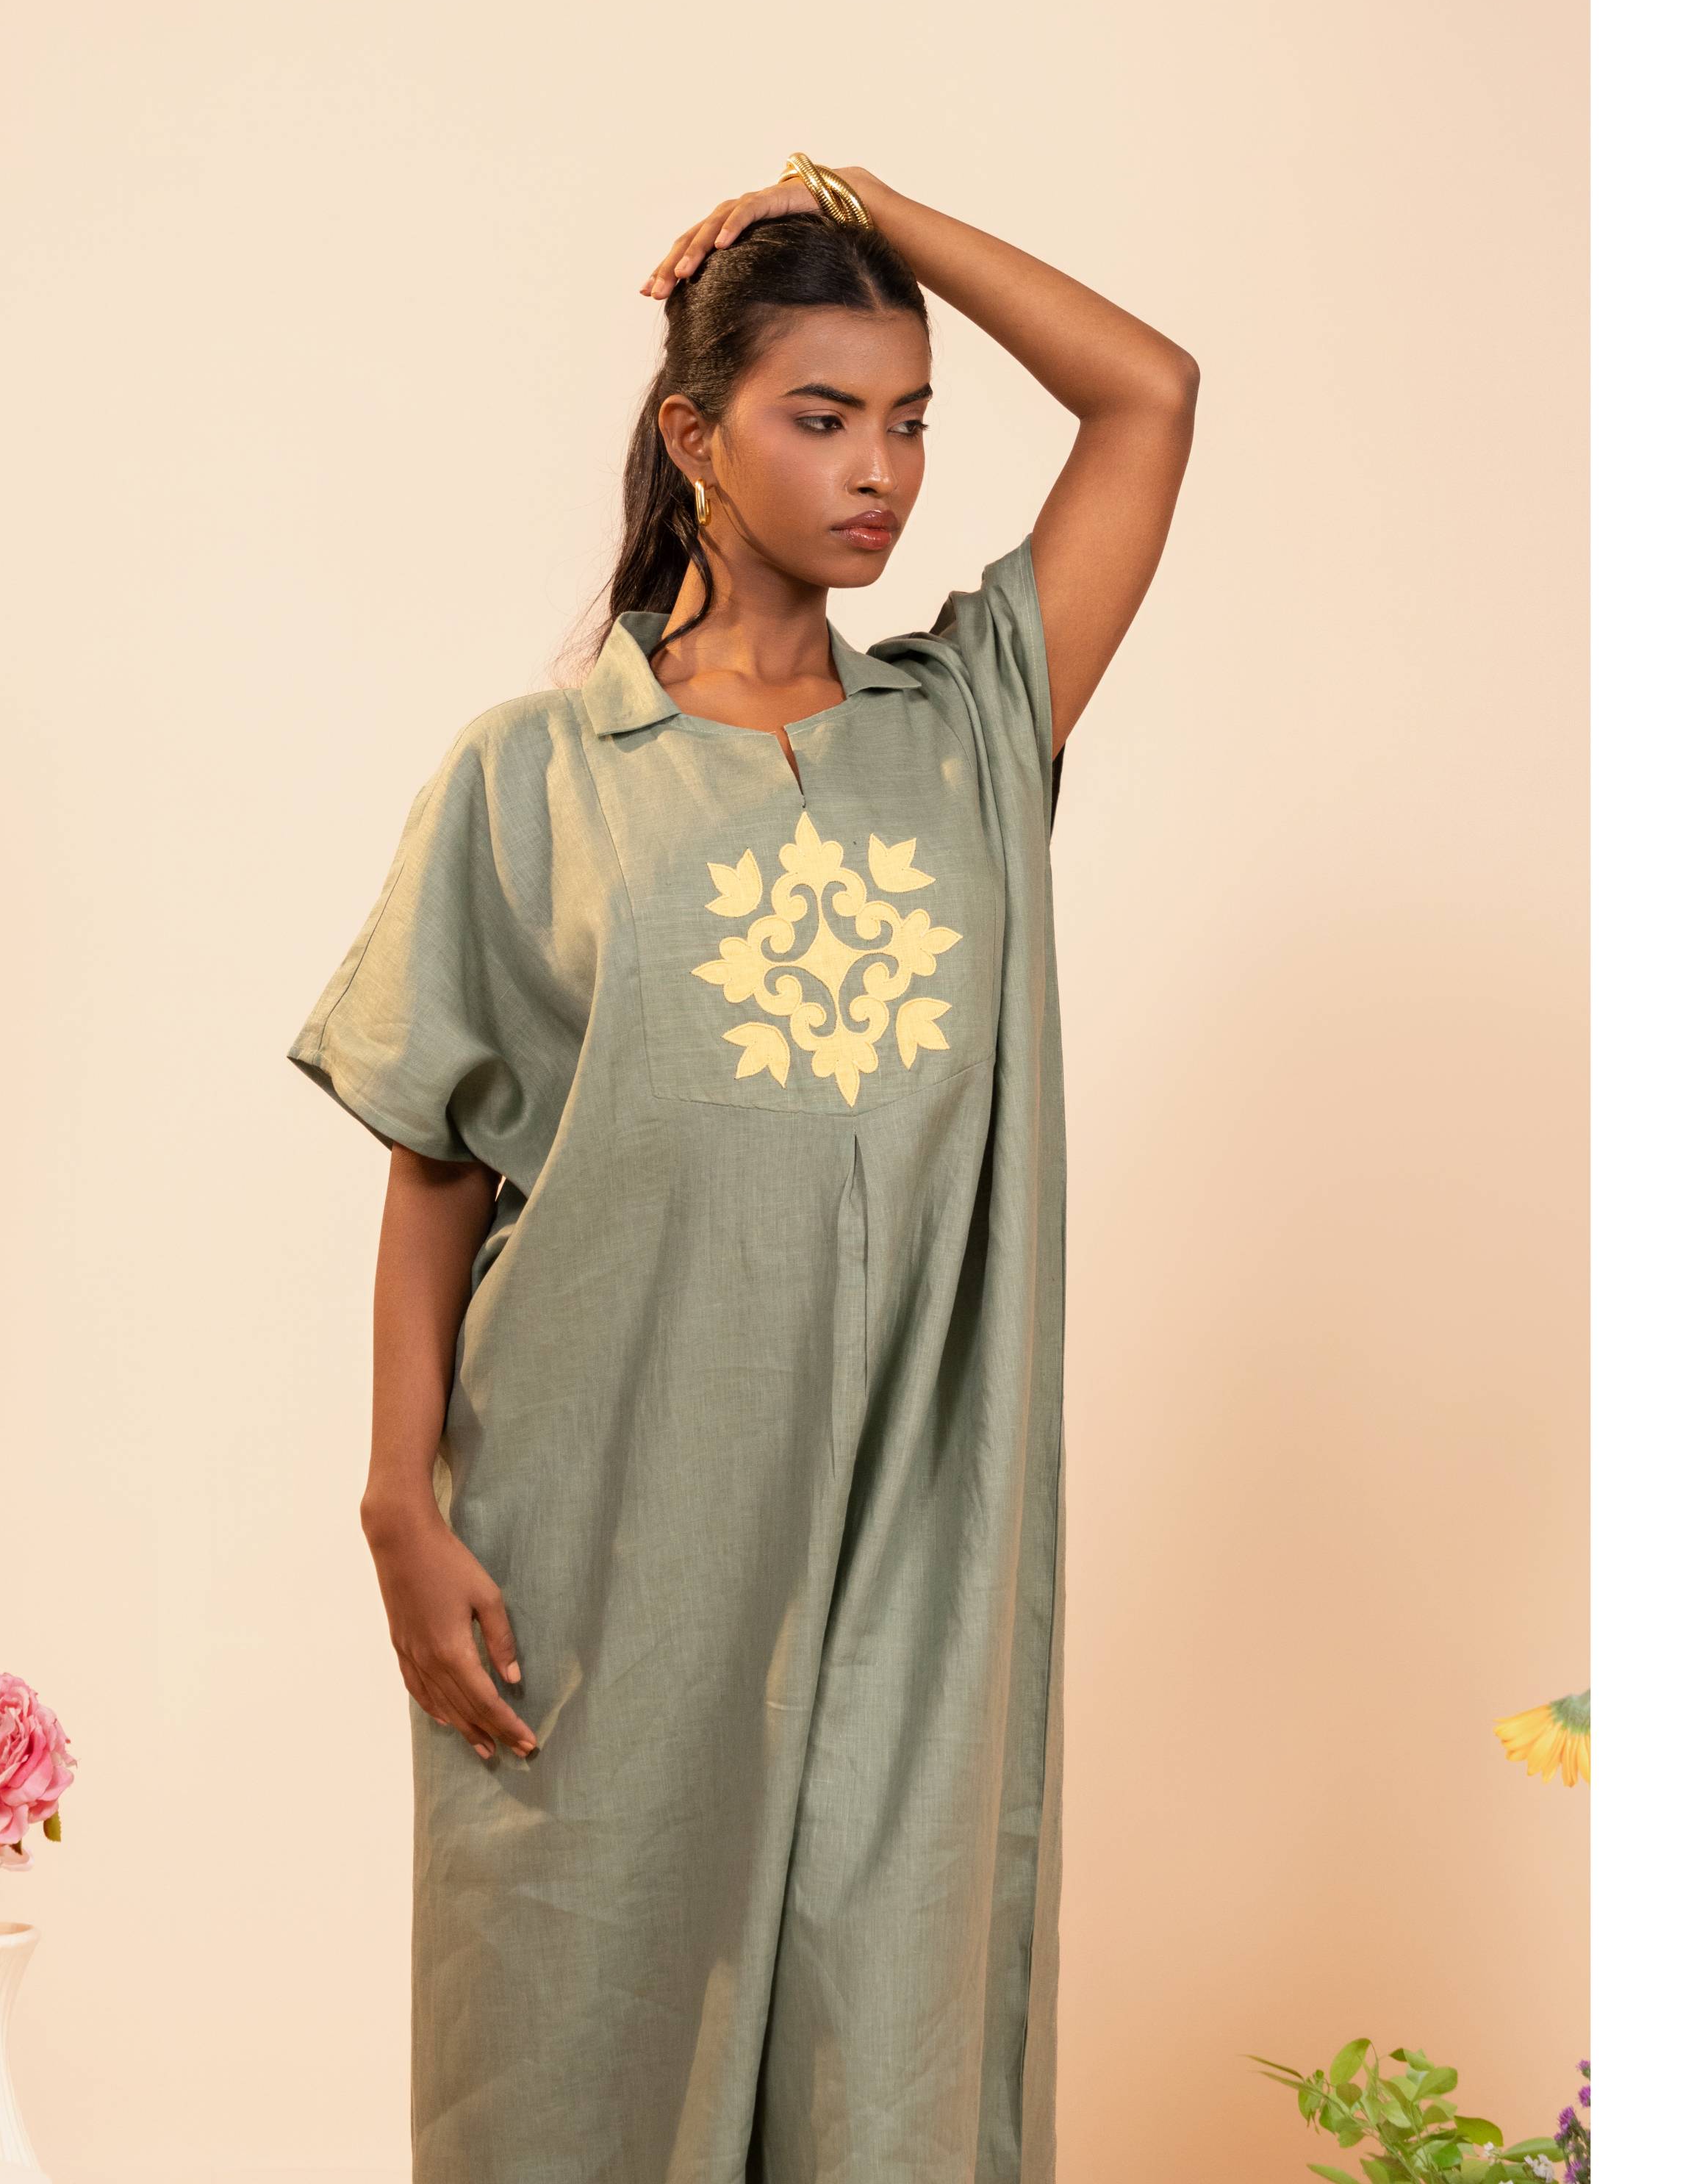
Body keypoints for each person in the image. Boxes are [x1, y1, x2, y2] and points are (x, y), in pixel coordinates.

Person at [287, 156, 1196, 2181]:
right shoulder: (533, 777)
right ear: (695, 438)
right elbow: (438, 1164)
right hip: (606, 1549)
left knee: (891, 2098)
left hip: (912, 1567)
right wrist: (397, 1501)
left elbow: (1150, 393)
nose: (882, 472)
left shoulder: (968, 728)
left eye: (912, 422)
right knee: (575, 2078)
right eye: (823, 416)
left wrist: (865, 195)